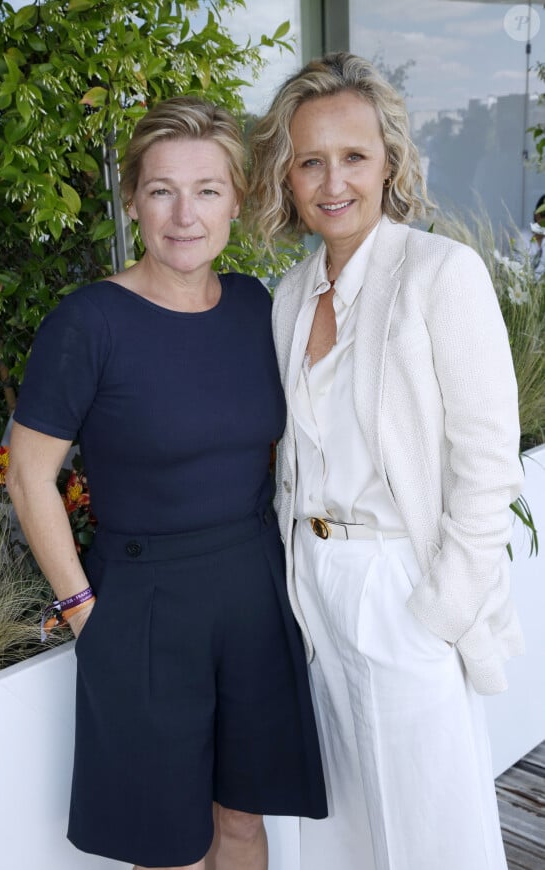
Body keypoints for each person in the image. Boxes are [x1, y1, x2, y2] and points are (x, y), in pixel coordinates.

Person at [6, 95, 327, 870]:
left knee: (243, 825)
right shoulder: (88, 323)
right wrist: (87, 613)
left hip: (253, 594)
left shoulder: (258, 306)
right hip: (143, 609)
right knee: (172, 850)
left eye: (208, 190)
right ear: (133, 200)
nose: (185, 214)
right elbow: (26, 475)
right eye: (162, 190)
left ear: (237, 200)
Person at [247, 53, 524, 870]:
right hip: (316, 588)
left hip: (401, 583)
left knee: (431, 825)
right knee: (347, 825)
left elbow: (488, 462)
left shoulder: (443, 274)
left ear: (390, 163)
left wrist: (439, 611)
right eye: (310, 161)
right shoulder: (292, 296)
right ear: (288, 178)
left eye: (354, 156)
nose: (334, 180)